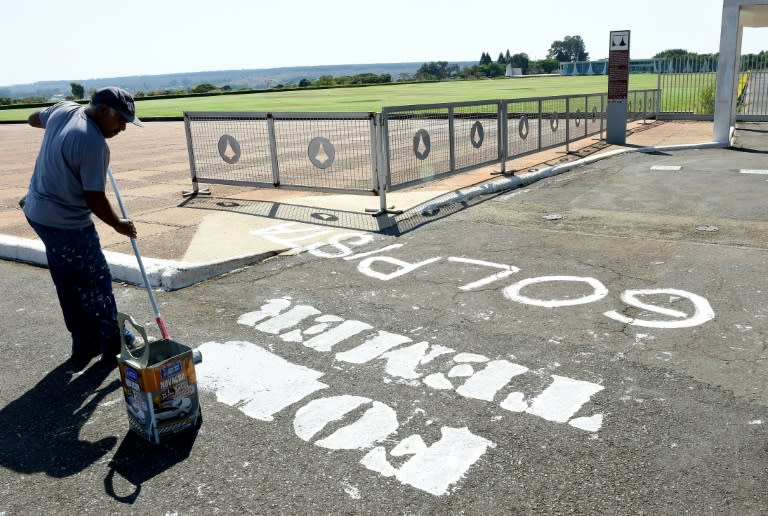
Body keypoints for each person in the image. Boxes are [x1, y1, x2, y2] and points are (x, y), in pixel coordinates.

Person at [23, 86, 142, 369]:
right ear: (103, 111)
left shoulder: (65, 109)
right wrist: (118, 224)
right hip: (67, 224)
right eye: (121, 120)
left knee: (66, 279)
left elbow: (32, 118)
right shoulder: (94, 145)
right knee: (95, 282)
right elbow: (95, 199)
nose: (123, 128)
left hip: (38, 214)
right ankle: (114, 341)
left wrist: (59, 137)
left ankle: (84, 342)